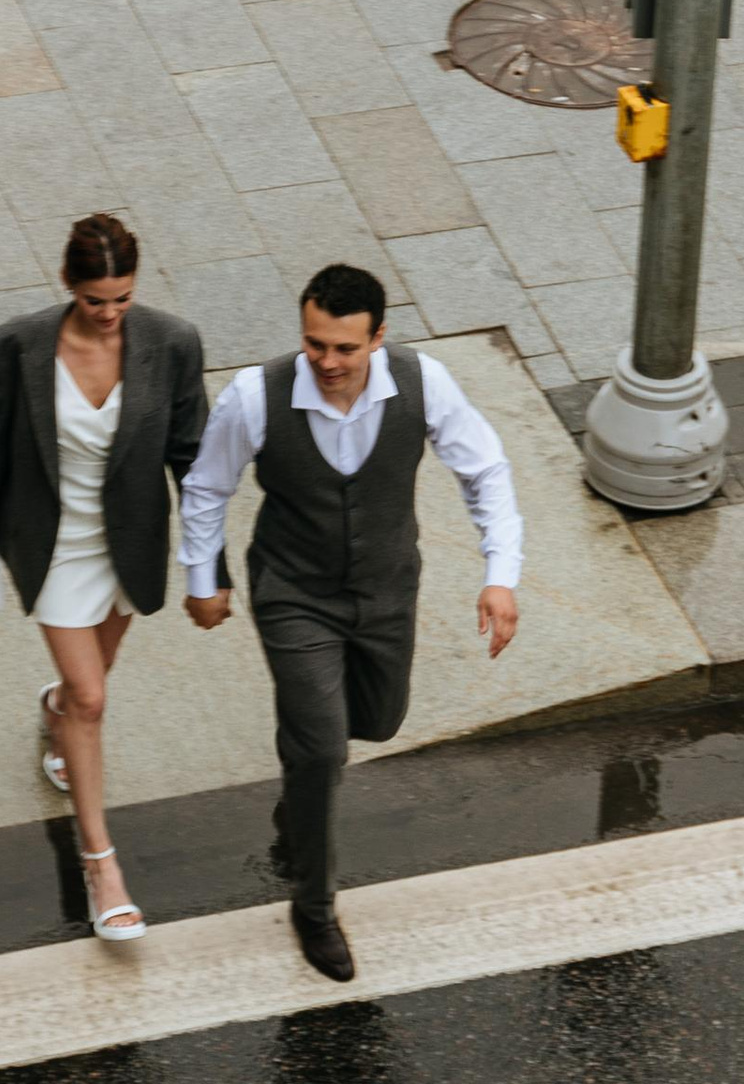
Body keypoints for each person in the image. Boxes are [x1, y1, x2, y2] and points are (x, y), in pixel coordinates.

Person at [181, 261, 521, 981]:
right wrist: (203, 577)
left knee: (377, 720)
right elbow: (207, 486)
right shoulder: (254, 397)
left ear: (378, 338)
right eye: (315, 345)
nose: (328, 363)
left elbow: (485, 470)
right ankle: (313, 907)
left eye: (345, 348)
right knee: (324, 750)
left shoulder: (423, 384)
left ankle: (299, 782)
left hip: (386, 591)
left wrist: (500, 578)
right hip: (293, 593)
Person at [0, 213, 208, 940]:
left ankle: (52, 708)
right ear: (68, 283)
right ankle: (102, 866)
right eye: (96, 299)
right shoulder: (15, 348)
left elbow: (192, 458)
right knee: (93, 700)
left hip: (129, 543)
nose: (110, 313)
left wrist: (205, 559)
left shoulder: (172, 343)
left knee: (84, 690)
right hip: (53, 543)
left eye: (122, 297)